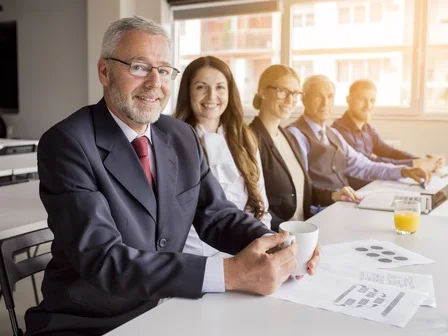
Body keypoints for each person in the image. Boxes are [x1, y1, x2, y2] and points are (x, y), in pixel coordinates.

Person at [24, 17, 319, 335]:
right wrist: (229, 274)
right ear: (104, 72)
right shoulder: (67, 143)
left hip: (167, 309)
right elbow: (104, 258)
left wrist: (279, 247)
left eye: (164, 70)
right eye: (139, 66)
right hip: (91, 323)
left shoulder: (180, 136)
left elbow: (217, 217)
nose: (154, 83)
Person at [174, 56, 271, 256]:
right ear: (188, 92)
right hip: (193, 256)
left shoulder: (246, 138)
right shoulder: (173, 141)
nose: (211, 96)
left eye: (220, 87)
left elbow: (260, 205)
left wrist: (263, 247)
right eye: (201, 87)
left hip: (245, 249)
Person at [249, 65, 359, 231]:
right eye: (282, 91)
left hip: (303, 229)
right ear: (263, 91)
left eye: (295, 94)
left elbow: (301, 190)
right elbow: (253, 202)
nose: (289, 100)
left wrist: (333, 195)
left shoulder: (288, 137)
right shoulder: (251, 138)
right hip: (277, 234)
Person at [287, 75, 430, 192]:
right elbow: (301, 186)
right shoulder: (295, 135)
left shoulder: (333, 134)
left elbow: (364, 166)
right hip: (320, 210)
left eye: (330, 97)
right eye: (318, 96)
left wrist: (405, 171)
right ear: (304, 99)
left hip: (344, 201)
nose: (325, 103)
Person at [332, 79, 445, 172]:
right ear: (349, 100)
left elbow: (390, 152)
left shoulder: (368, 128)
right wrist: (414, 164)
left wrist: (424, 161)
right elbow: (368, 163)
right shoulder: (339, 130)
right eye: (362, 99)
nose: (368, 106)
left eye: (372, 100)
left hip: (373, 181)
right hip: (354, 190)